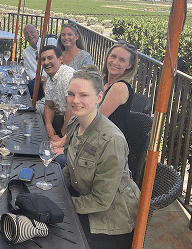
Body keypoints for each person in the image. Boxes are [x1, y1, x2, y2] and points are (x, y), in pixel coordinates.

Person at [61, 66, 141, 248]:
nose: (75, 100)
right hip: (85, 200)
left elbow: (101, 201)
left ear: (99, 97)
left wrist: (63, 204)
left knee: (56, 232)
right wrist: (56, 190)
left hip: (111, 223)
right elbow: (69, 167)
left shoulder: (111, 140)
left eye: (83, 95)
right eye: (71, 94)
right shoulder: (75, 122)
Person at [37, 45, 76, 152]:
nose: (46, 62)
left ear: (60, 59)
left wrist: (62, 135)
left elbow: (71, 108)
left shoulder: (66, 75)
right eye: (43, 59)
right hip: (67, 122)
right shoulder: (51, 78)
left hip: (79, 127)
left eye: (50, 58)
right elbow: (49, 106)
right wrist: (49, 129)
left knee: (47, 149)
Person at [99, 44, 139, 122]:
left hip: (107, 133)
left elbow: (98, 119)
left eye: (122, 60)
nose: (115, 62)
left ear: (129, 65)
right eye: (113, 56)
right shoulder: (104, 82)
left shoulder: (120, 87)